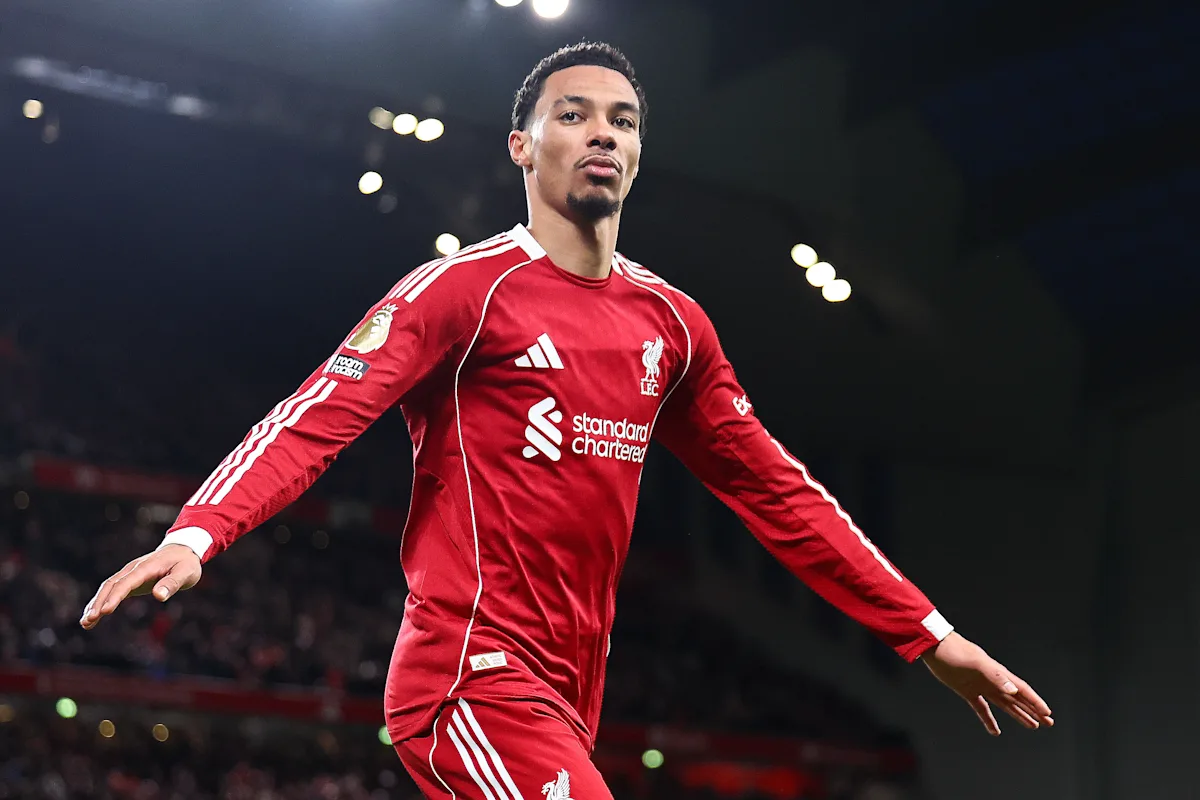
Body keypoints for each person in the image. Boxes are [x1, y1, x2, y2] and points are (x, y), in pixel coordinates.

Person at [80, 41, 1053, 798]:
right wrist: (200, 530)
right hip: (469, 675)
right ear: (522, 145)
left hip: (571, 692)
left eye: (623, 121)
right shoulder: (463, 292)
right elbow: (318, 413)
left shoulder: (673, 325)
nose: (602, 134)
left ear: (639, 152)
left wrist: (928, 633)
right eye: (574, 114)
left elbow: (778, 491)